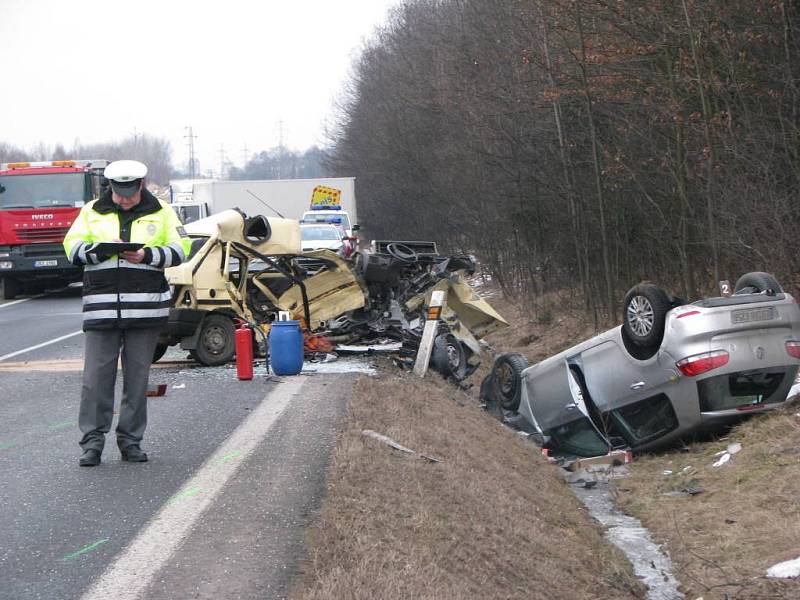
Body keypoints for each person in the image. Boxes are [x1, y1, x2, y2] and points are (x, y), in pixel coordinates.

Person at [63, 160, 191, 467]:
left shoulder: (162, 211)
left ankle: (131, 442)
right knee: (95, 381)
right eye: (118, 193)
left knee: (137, 380)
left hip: (145, 310)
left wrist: (147, 254)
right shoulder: (92, 210)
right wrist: (100, 249)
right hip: (101, 309)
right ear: (110, 188)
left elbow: (182, 247)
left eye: (129, 192)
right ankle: (92, 443)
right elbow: (71, 248)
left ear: (141, 186)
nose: (123, 198)